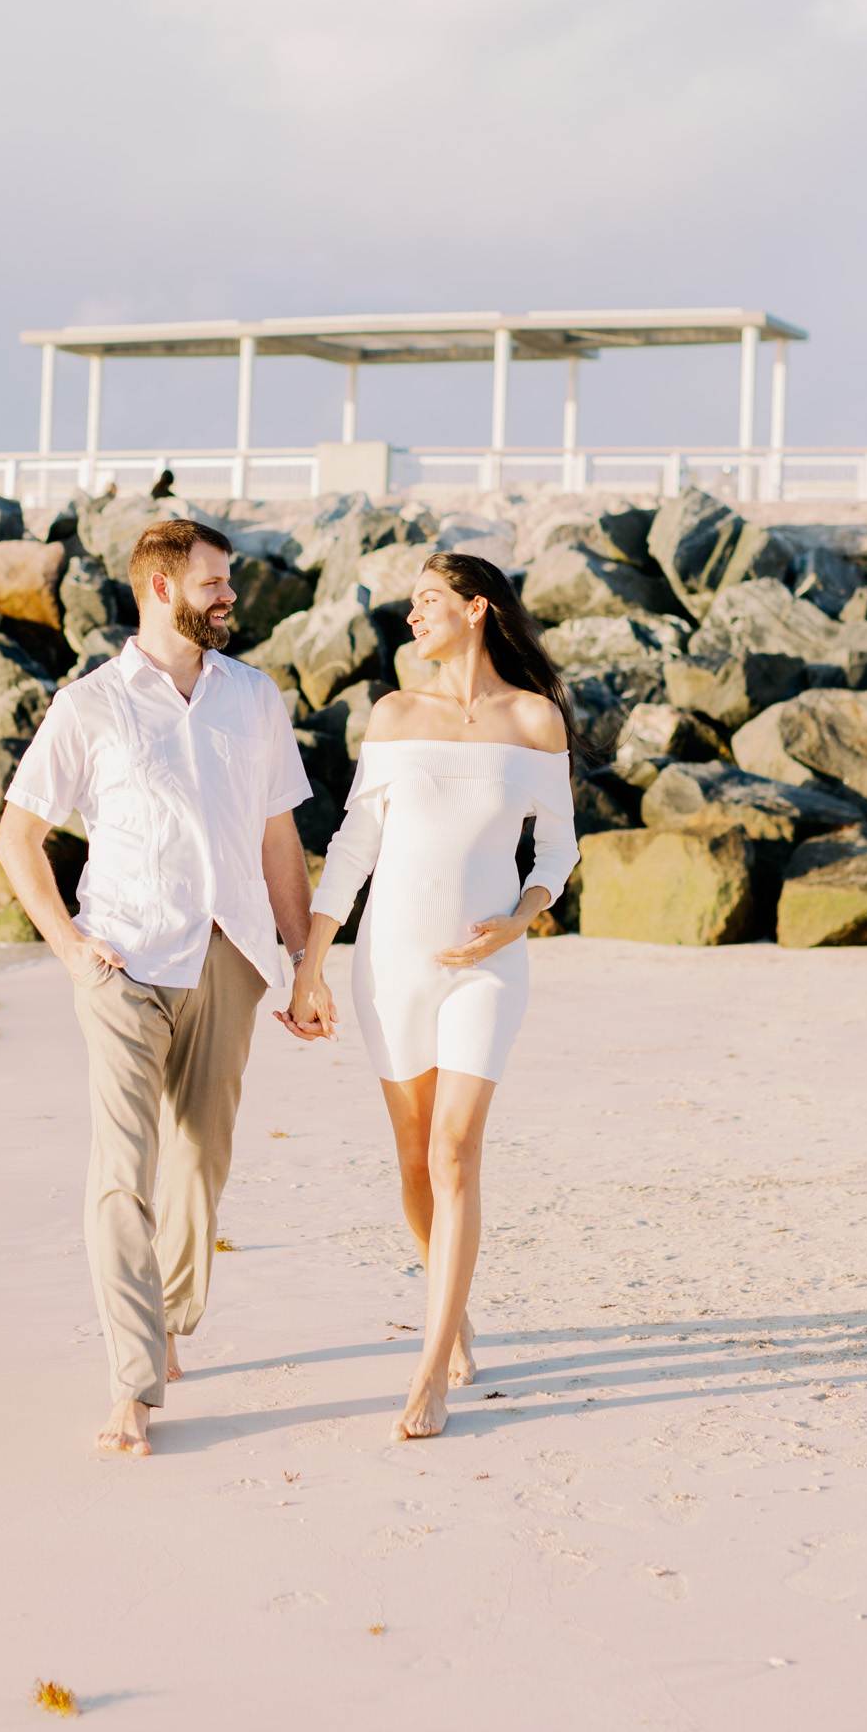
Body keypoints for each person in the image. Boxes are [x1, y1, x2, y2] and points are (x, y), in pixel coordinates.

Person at [0, 518, 316, 1458]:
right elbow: (19, 836)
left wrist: (305, 965)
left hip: (227, 955)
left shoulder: (253, 698)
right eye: (215, 584)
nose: (230, 598)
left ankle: (172, 1314)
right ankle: (132, 1383)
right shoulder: (90, 706)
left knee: (201, 1157)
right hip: (123, 959)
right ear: (161, 589)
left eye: (228, 583)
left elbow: (278, 842)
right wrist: (65, 943)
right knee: (120, 1171)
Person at [286, 552, 581, 1442]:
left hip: (485, 964)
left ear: (476, 608)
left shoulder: (534, 720)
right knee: (415, 1161)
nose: (411, 617)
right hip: (391, 965)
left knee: (455, 1153)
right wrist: (312, 962)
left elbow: (557, 852)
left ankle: (428, 1372)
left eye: (427, 601)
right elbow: (353, 844)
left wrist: (517, 921)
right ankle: (454, 1313)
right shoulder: (393, 714)